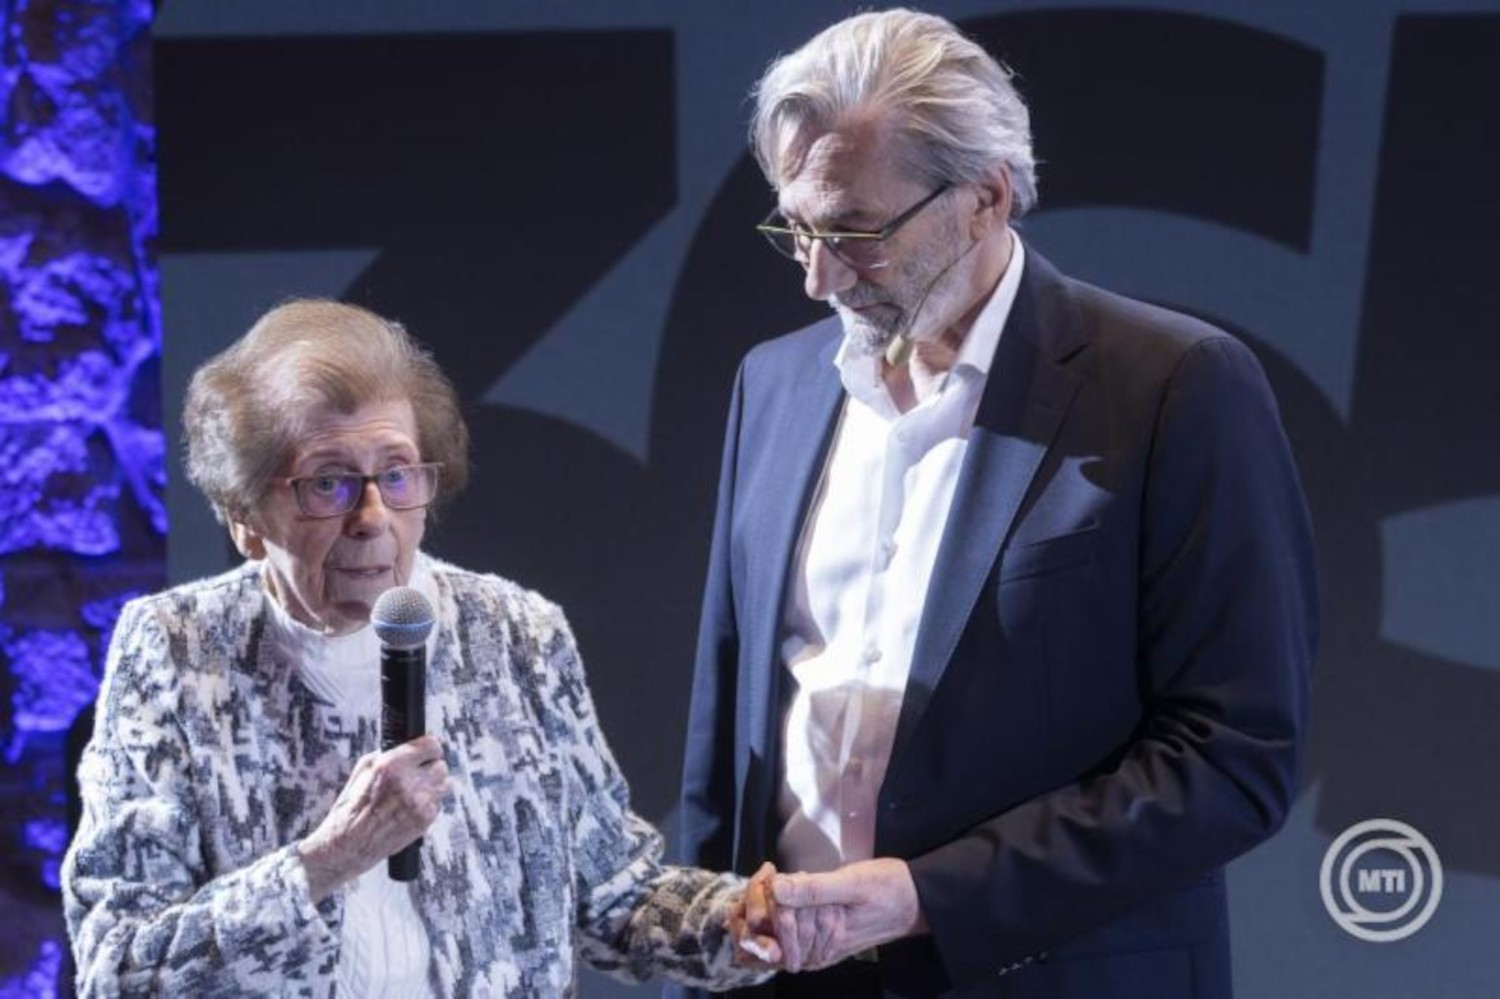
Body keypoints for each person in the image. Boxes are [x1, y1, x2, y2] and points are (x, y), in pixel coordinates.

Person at [674, 8, 1318, 998]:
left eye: (855, 232)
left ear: (987, 196)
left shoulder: (1175, 385)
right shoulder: (773, 384)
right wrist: (699, 967)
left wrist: (928, 897)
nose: (818, 277)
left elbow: (1235, 756)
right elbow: (726, 754)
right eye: (796, 229)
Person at [61, 300, 785, 995]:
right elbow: (118, 968)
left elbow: (614, 896)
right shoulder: (178, 653)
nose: (372, 517)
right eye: (328, 482)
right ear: (245, 516)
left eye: (397, 473)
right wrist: (326, 860)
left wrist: (743, 922)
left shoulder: (515, 635)